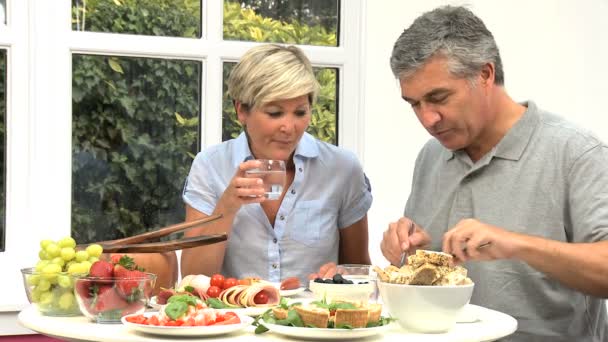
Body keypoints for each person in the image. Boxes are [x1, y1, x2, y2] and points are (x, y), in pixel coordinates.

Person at [379, 5, 608, 341]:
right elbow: (438, 277)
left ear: (485, 75)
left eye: (438, 97)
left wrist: (516, 244)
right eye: (414, 104)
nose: (428, 119)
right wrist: (410, 253)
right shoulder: (431, 155)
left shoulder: (576, 152)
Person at [180, 44, 372, 284]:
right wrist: (227, 207)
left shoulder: (342, 168)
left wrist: (340, 276)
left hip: (312, 318)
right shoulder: (210, 166)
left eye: (300, 113)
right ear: (241, 110)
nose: (289, 127)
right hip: (237, 319)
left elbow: (362, 272)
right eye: (274, 113)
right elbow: (191, 277)